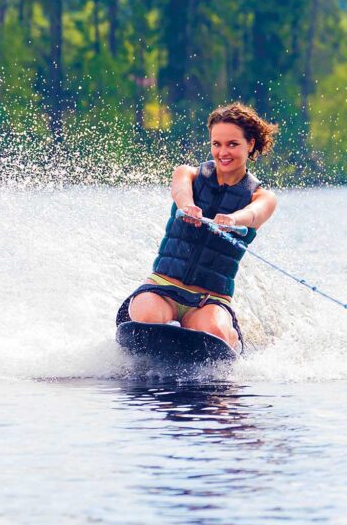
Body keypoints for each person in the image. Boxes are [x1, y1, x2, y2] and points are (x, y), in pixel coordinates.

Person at [116, 102, 278, 351]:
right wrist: (188, 206)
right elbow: (180, 191)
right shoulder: (188, 174)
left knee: (213, 332)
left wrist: (234, 220)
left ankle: (231, 340)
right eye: (217, 144)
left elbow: (254, 214)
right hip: (163, 288)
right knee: (147, 315)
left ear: (251, 144)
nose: (223, 152)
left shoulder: (262, 197)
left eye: (232, 144)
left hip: (209, 300)